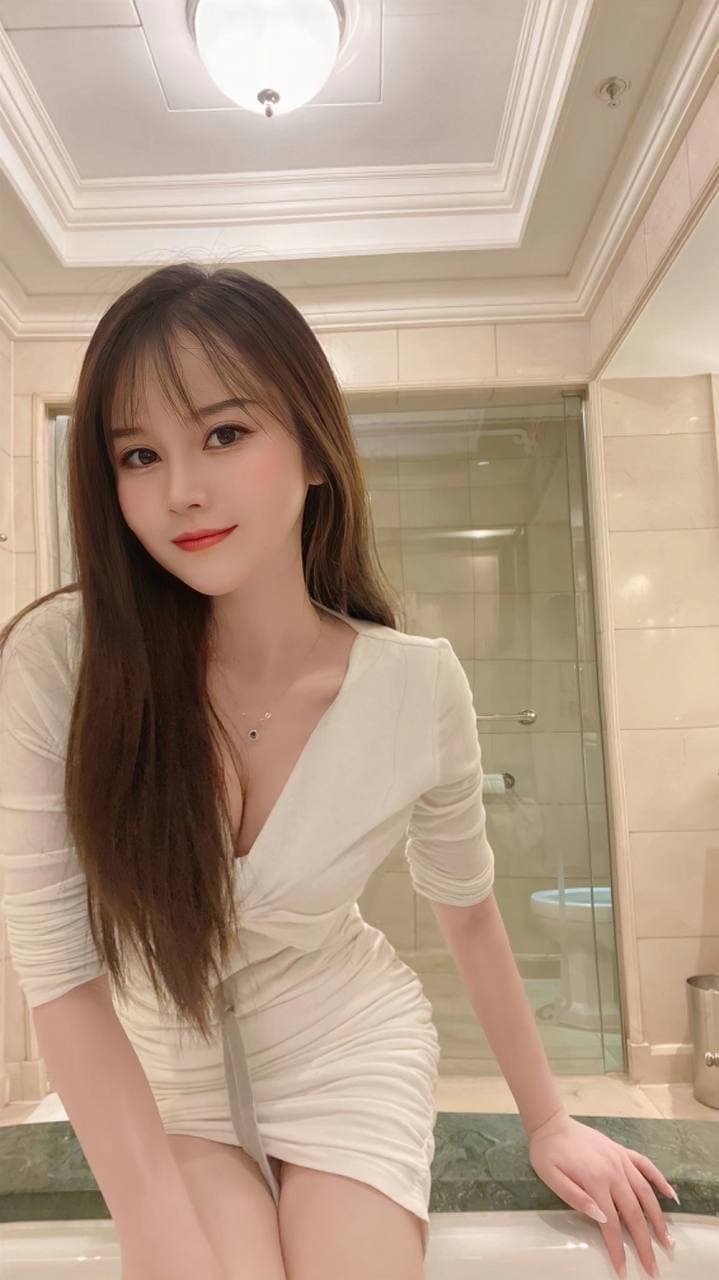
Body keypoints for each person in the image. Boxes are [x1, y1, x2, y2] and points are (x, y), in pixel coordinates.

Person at [0, 263, 677, 1280]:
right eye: (139, 454)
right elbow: (61, 974)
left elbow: (466, 911)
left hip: (343, 1043)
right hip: (159, 1073)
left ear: (314, 447)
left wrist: (546, 1118)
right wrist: (161, 1235)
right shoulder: (62, 662)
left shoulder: (413, 686)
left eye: (224, 433)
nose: (181, 489)